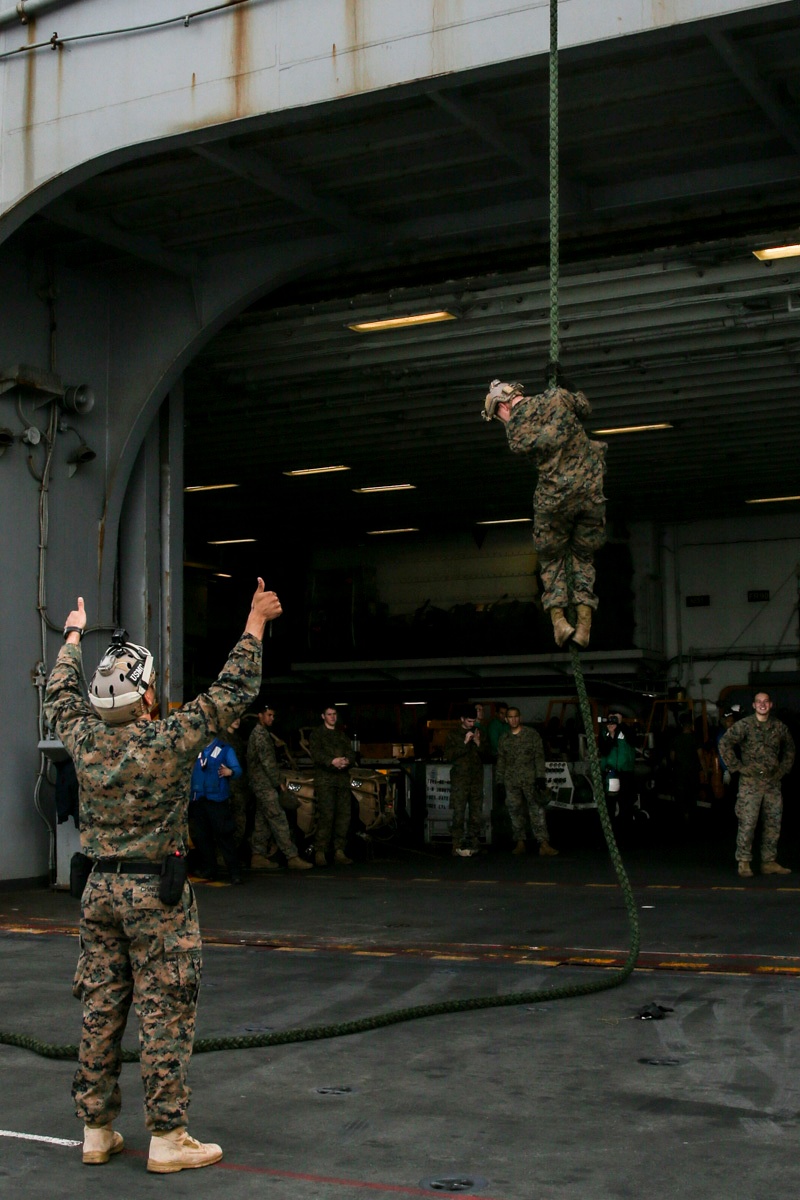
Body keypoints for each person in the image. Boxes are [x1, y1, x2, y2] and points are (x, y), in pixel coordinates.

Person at [44, 579, 281, 1173]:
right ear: (146, 699)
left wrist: (74, 635)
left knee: (101, 1008)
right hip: (158, 891)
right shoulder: (169, 739)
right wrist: (254, 623)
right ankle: (167, 1137)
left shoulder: (83, 738)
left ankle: (96, 1129)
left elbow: (60, 695)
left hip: (98, 888)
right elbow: (231, 693)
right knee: (165, 1010)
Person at [483, 378, 607, 649]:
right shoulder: (557, 397)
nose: (501, 420)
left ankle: (560, 622)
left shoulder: (516, 429)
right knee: (583, 556)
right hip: (591, 494)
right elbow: (584, 407)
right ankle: (584, 625)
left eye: (498, 415)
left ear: (503, 405)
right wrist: (566, 390)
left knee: (551, 558)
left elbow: (526, 444)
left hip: (556, 501)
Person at [718, 691, 795, 878]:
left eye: (766, 701)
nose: (762, 704)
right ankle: (744, 862)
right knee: (748, 822)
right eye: (759, 702)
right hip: (750, 783)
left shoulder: (779, 727)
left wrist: (783, 770)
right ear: (753, 705)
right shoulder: (744, 725)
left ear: (771, 704)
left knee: (773, 822)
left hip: (772, 782)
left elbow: (790, 749)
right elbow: (725, 743)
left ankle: (769, 861)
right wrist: (737, 767)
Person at [247, 704, 312, 871]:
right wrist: (279, 784)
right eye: (268, 715)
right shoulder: (261, 735)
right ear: (260, 715)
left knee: (262, 820)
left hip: (261, 784)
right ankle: (292, 856)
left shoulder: (261, 733)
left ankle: (257, 856)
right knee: (278, 818)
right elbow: (268, 763)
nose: (271, 718)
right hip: (265, 784)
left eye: (273, 716)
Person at [495, 707, 557, 857]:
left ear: (520, 718)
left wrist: (541, 777)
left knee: (537, 811)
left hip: (531, 780)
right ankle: (520, 842)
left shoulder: (531, 734)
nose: (513, 719)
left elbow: (539, 756)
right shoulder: (504, 738)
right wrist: (499, 782)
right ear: (506, 719)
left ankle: (543, 843)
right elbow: (501, 760)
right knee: (515, 812)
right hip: (511, 780)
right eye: (510, 717)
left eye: (516, 716)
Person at [189, 725, 244, 884]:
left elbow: (238, 770)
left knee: (224, 836)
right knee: (202, 837)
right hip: (198, 799)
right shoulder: (195, 750)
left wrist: (230, 772)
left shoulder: (225, 749)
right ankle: (209, 869)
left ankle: (234, 872)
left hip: (217, 800)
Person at [308, 705, 353, 866]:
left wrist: (346, 761)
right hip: (325, 781)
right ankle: (320, 852)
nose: (332, 717)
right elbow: (316, 754)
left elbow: (350, 752)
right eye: (329, 714)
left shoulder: (341, 734)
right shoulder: (317, 735)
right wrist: (332, 761)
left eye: (334, 714)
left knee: (343, 816)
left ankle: (339, 851)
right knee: (326, 816)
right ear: (323, 716)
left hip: (341, 781)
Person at [444, 707, 486, 856]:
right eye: (469, 721)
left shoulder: (478, 732)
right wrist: (464, 742)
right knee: (459, 811)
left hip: (476, 779)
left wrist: (478, 742)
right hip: (460, 780)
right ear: (462, 719)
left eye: (474, 721)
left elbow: (486, 755)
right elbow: (448, 756)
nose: (471, 724)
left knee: (476, 811)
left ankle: (474, 840)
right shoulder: (453, 735)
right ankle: (456, 842)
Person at [599, 713, 636, 821]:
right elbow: (604, 750)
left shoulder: (627, 731)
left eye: (615, 718)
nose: (612, 720)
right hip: (611, 772)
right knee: (610, 800)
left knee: (625, 801)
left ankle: (625, 823)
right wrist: (611, 735)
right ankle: (610, 825)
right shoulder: (604, 733)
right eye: (610, 718)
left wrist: (621, 724)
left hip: (625, 772)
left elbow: (633, 740)